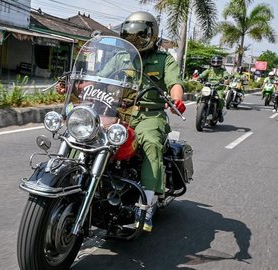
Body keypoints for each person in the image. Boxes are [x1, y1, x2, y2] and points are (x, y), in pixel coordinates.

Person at [56, 11, 186, 232]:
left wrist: (177, 99)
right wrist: (75, 87)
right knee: (84, 133)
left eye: (140, 35)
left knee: (151, 143)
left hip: (148, 115)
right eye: (130, 35)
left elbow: (175, 83)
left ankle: (145, 205)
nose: (134, 40)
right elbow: (97, 80)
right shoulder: (120, 57)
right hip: (116, 110)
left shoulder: (164, 60)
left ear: (151, 35)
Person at [200, 55, 229, 122]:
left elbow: (226, 76)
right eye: (214, 62)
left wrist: (226, 79)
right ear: (211, 62)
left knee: (220, 99)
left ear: (220, 63)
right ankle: (199, 108)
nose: (216, 64)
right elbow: (202, 75)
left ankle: (220, 113)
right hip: (208, 87)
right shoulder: (209, 70)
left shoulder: (223, 70)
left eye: (218, 62)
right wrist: (199, 77)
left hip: (218, 89)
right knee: (199, 95)